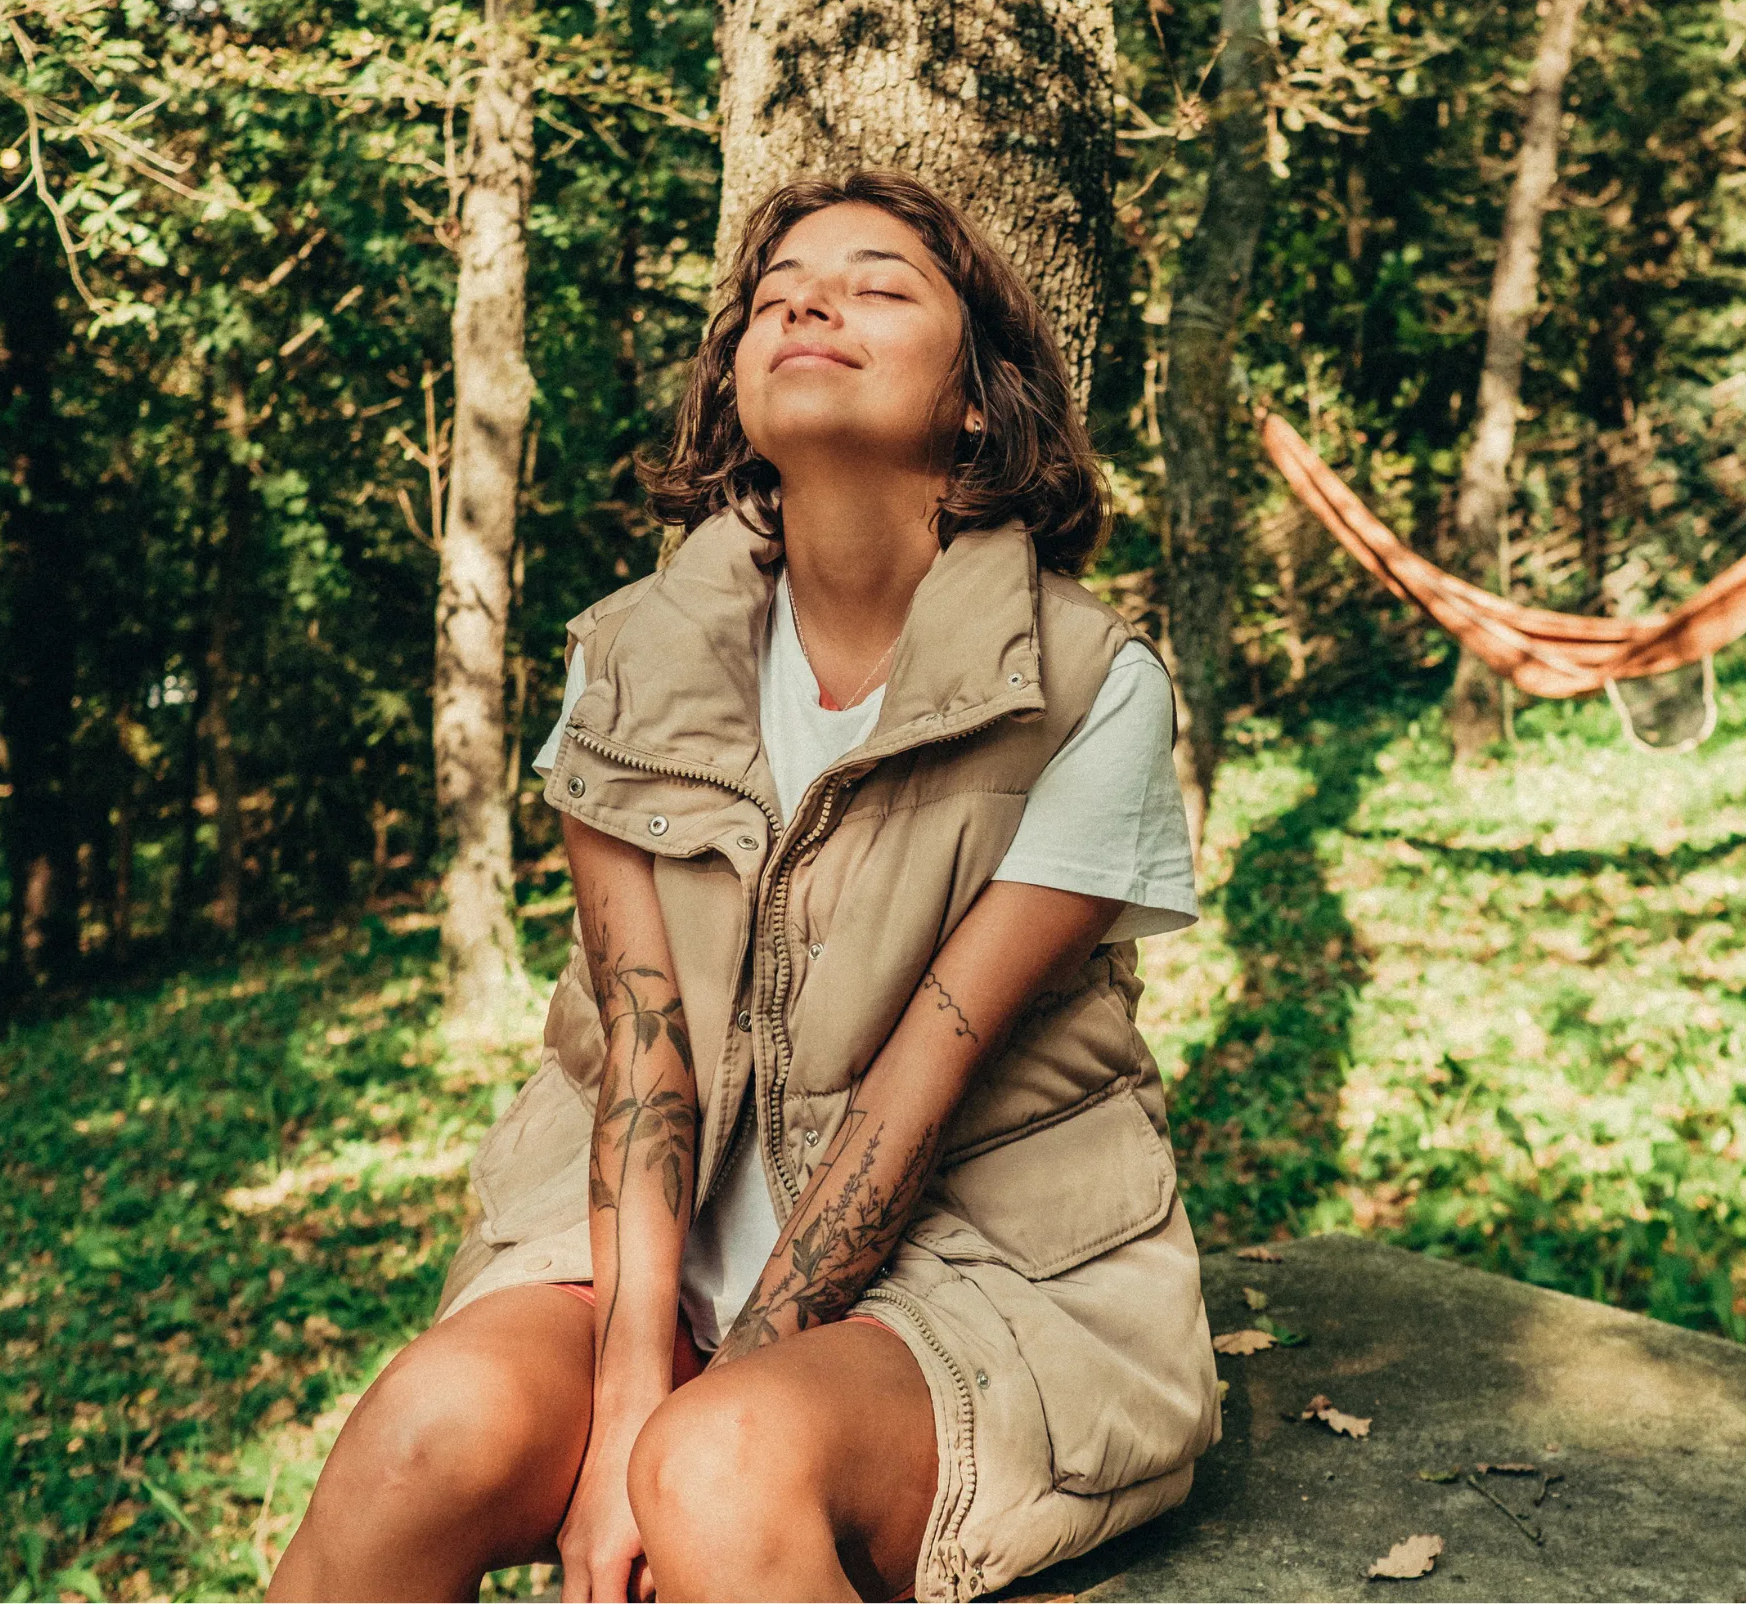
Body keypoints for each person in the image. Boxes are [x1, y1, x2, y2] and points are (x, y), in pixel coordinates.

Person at [268, 171, 1219, 1604]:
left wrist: (674, 1444)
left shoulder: (1087, 685)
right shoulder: (624, 665)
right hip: (649, 1265)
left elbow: (917, 1093)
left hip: (981, 1277)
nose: (810, 304)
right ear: (737, 392)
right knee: (421, 1432)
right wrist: (626, 1400)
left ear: (978, 401)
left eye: (878, 285)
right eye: (777, 295)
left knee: (715, 1472)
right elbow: (640, 1056)